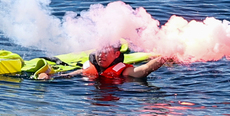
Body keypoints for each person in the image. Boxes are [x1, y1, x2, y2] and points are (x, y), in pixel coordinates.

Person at [37, 45, 168, 81]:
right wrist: (48, 77)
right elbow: (70, 75)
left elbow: (144, 70)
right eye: (99, 51)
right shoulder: (91, 68)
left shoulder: (124, 71)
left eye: (106, 52)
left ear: (116, 54)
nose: (101, 55)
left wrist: (165, 57)